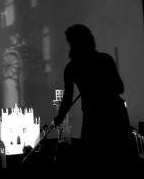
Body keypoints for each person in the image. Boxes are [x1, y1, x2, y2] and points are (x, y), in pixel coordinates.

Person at [53, 24, 132, 172]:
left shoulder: (71, 68)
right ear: (89, 39)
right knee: (119, 159)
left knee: (93, 161)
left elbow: (67, 99)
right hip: (115, 115)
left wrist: (60, 117)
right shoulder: (105, 59)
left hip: (93, 118)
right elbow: (119, 88)